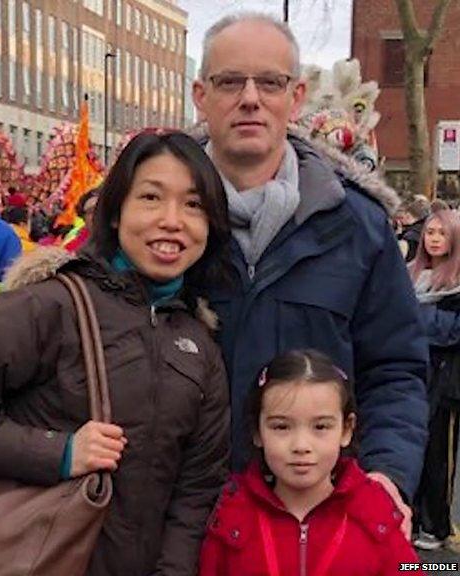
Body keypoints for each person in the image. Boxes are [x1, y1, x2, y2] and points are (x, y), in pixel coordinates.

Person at [0, 132, 232, 575]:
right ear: (116, 212)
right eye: (151, 198)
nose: (172, 220)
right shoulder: (48, 305)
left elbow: (196, 490)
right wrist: (58, 452)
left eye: (193, 205)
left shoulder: (199, 344)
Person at [192, 12, 428, 523]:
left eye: (270, 82)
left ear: (295, 97)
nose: (250, 98)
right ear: (200, 95)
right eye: (230, 80)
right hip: (180, 525)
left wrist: (388, 474)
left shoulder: (359, 228)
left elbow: (395, 368)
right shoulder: (154, 226)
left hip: (319, 520)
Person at [199, 350, 421, 575]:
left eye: (321, 427)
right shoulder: (232, 514)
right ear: (257, 431)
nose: (301, 445)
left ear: (346, 429)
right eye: (281, 427)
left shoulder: (374, 514)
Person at [407, 210, 460, 550]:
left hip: (445, 382)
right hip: (410, 374)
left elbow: (451, 331)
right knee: (409, 445)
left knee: (438, 453)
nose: (434, 238)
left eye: (442, 233)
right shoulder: (409, 274)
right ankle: (408, 516)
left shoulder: (456, 281)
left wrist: (414, 318)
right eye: (430, 232)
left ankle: (435, 523)